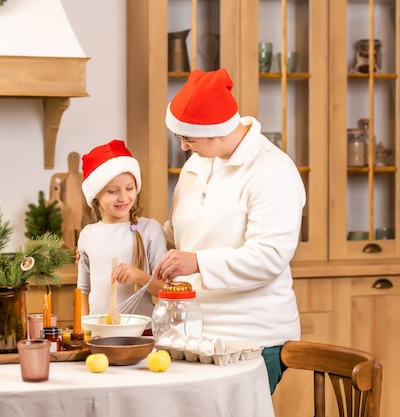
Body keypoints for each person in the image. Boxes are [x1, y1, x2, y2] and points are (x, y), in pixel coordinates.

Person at [153, 68, 306, 394]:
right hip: (192, 335)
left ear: (218, 133)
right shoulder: (196, 164)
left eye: (188, 139)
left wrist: (196, 263)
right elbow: (181, 238)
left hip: (250, 338)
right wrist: (137, 237)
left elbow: (268, 257)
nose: (182, 147)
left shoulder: (273, 172)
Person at [76, 140, 167, 331]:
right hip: (99, 332)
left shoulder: (150, 230)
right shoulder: (88, 235)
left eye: (129, 188)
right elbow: (83, 290)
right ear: (95, 195)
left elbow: (164, 290)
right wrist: (84, 329)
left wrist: (138, 274)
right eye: (112, 191)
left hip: (144, 333)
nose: (123, 198)